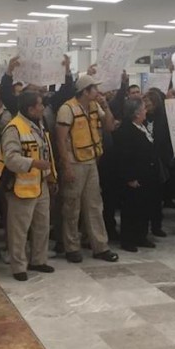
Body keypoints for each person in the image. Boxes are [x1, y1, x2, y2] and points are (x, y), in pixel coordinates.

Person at [0, 92, 57, 280]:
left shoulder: (38, 124)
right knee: (19, 230)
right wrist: (33, 163)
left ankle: (38, 259)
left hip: (40, 183)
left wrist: (51, 176)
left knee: (42, 225)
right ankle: (19, 266)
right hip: (20, 185)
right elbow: (11, 159)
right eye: (39, 105)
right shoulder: (14, 128)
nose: (43, 108)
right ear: (30, 109)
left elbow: (47, 153)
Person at [55, 74, 119, 263]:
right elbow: (60, 140)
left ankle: (100, 246)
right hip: (74, 162)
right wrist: (66, 166)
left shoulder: (94, 106)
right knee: (71, 206)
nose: (98, 92)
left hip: (91, 161)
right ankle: (71, 247)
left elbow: (109, 126)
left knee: (94, 205)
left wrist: (106, 106)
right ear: (85, 91)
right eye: (94, 89)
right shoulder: (67, 109)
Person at [114, 98, 163, 252]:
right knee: (131, 209)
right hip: (134, 175)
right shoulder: (126, 130)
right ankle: (128, 239)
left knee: (144, 207)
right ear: (135, 113)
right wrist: (130, 177)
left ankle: (141, 235)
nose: (145, 111)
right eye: (143, 109)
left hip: (147, 174)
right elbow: (123, 156)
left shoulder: (142, 127)